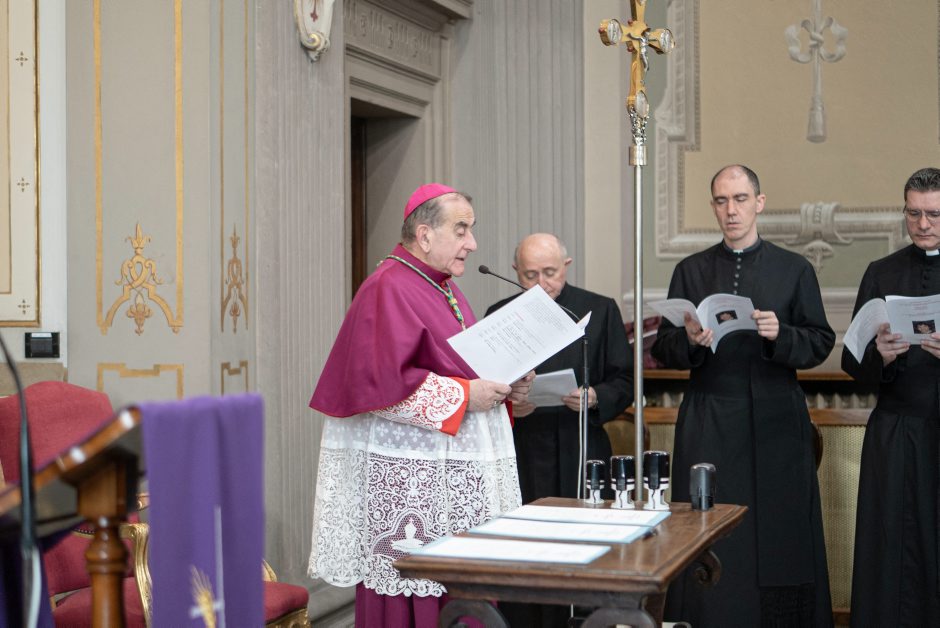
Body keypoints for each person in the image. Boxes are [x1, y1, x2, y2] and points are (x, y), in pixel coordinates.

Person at [306, 183, 532, 628]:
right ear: (425, 235)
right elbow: (379, 386)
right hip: (413, 487)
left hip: (450, 484)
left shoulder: (443, 287)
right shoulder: (387, 286)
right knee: (417, 597)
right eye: (461, 230)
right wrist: (466, 395)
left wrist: (506, 386)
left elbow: (460, 368)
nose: (472, 243)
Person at [652, 165, 834, 627]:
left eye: (739, 199)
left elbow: (819, 341)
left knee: (778, 533)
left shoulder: (794, 269)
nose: (730, 210)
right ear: (713, 207)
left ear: (759, 202)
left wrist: (780, 334)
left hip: (776, 421)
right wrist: (690, 340)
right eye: (721, 201)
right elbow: (664, 348)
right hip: (710, 417)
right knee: (706, 527)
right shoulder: (690, 270)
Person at [486, 233, 633, 628]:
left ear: (566, 266)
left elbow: (624, 379)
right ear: (515, 271)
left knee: (585, 552)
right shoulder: (499, 314)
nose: (541, 284)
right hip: (524, 449)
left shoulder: (599, 310)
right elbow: (485, 381)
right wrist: (509, 403)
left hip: (580, 445)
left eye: (550, 273)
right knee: (525, 552)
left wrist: (596, 396)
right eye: (530, 275)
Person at [842, 167, 940, 627]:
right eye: (913, 213)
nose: (922, 224)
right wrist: (879, 355)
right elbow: (852, 362)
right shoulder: (880, 272)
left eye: (934, 214)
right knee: (891, 547)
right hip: (896, 432)